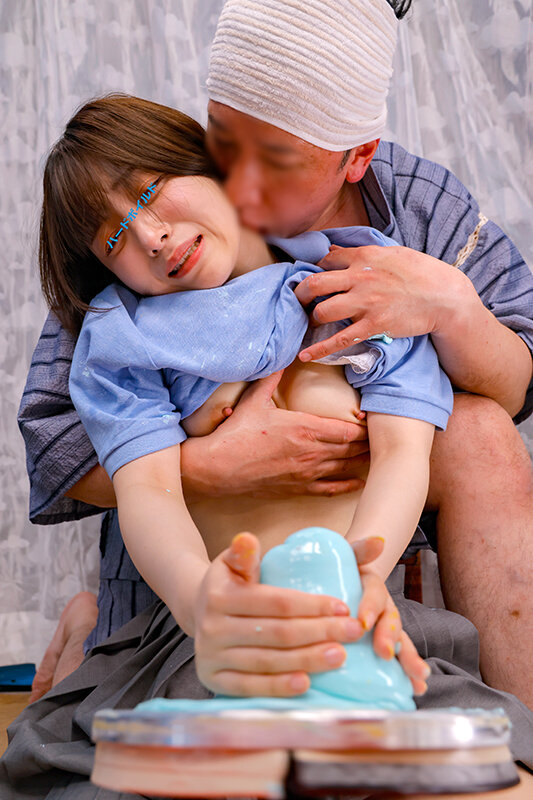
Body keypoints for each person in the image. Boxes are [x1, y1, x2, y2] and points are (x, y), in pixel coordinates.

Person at [12, 0, 533, 787]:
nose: (150, 234)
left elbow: (501, 382)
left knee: (480, 433)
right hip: (197, 602)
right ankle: (107, 636)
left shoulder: (372, 260)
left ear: (354, 157)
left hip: (355, 586)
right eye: (224, 138)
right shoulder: (125, 324)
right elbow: (71, 450)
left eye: (276, 156)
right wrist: (210, 479)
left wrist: (450, 307)